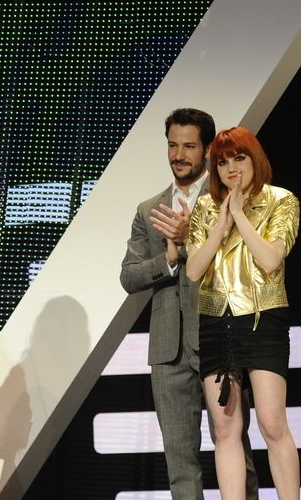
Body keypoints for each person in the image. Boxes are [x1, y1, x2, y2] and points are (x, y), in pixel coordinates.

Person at [121, 108, 257, 500]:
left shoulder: (226, 202)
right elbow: (129, 276)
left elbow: (243, 265)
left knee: (235, 450)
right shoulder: (150, 210)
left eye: (189, 146)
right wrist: (169, 257)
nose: (179, 155)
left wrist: (191, 238)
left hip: (217, 340)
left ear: (210, 150)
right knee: (180, 466)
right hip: (168, 351)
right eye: (172, 145)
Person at [179, 126, 300, 500]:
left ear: (254, 159)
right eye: (222, 162)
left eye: (239, 158)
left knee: (271, 423)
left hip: (263, 318)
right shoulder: (204, 207)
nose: (231, 168)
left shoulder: (281, 200)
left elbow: (270, 259)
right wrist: (220, 224)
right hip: (217, 319)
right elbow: (193, 270)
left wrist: (240, 215)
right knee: (225, 428)